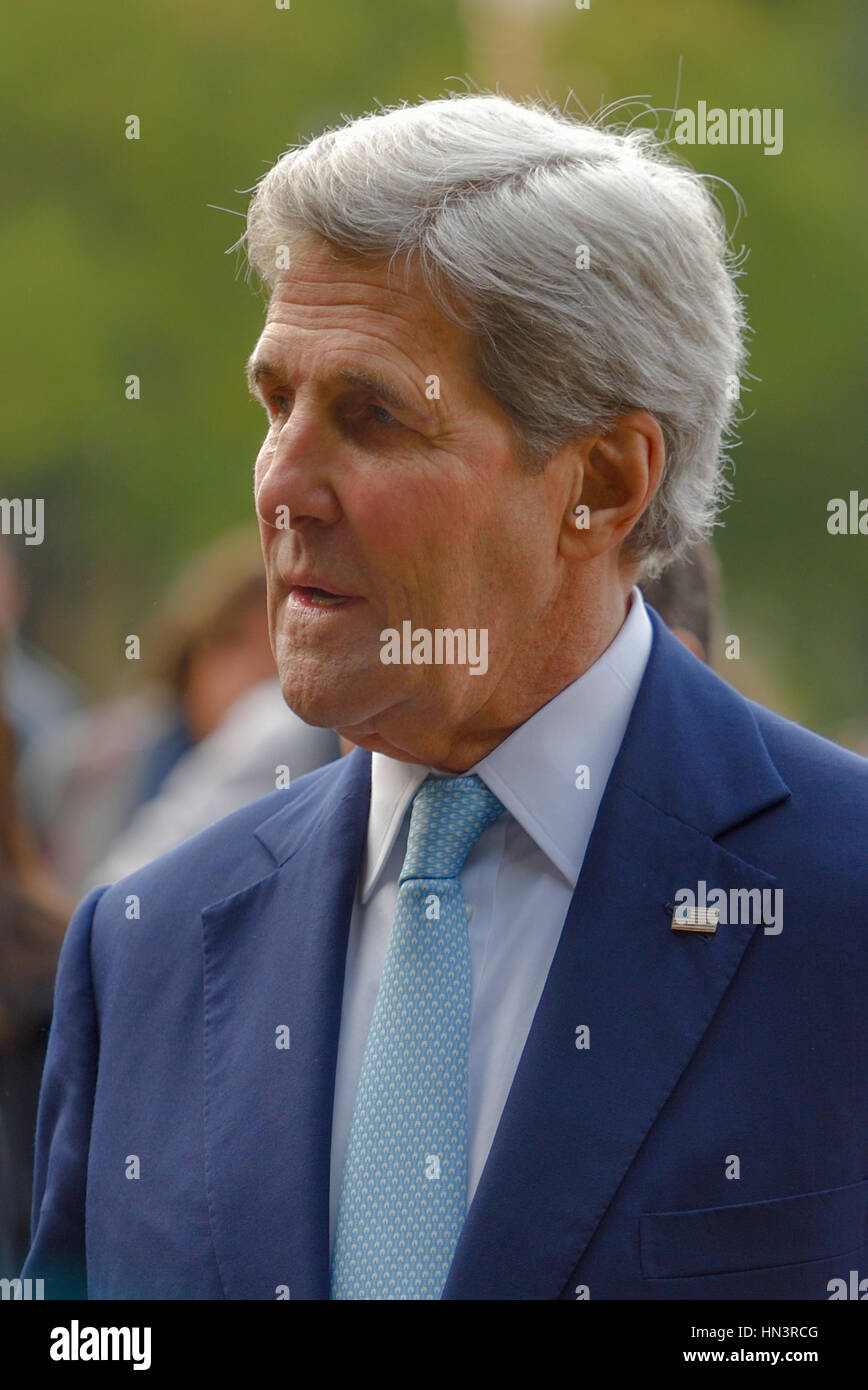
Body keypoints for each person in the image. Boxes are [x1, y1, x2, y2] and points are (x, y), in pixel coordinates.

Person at [24, 94, 867, 1300]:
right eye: (277, 405)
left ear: (605, 483)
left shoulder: (841, 907)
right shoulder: (146, 945)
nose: (283, 487)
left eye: (370, 416)